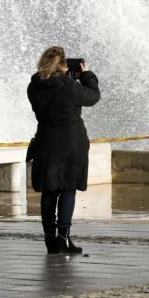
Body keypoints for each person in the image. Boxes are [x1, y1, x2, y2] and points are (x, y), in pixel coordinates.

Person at [27, 46, 100, 254]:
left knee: (49, 190)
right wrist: (87, 75)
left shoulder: (34, 86)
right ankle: (63, 238)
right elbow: (93, 96)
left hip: (46, 142)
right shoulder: (69, 86)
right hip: (71, 144)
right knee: (67, 188)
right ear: (63, 65)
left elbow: (45, 94)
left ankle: (50, 239)